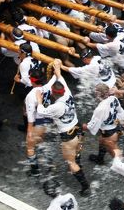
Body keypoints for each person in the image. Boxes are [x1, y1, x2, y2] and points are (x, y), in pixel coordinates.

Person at [35, 60, 90, 196]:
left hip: (68, 135)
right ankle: (79, 165)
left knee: (70, 162)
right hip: (77, 128)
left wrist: (39, 99)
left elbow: (41, 111)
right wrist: (57, 68)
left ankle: (85, 185)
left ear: (53, 93)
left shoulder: (57, 106)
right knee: (76, 152)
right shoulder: (67, 93)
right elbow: (60, 76)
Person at [83, 83, 124, 165]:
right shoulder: (113, 98)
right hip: (115, 128)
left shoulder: (100, 109)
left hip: (109, 135)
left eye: (95, 91)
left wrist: (79, 125)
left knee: (117, 156)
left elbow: (91, 127)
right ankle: (100, 159)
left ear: (98, 94)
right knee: (101, 142)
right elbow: (121, 112)